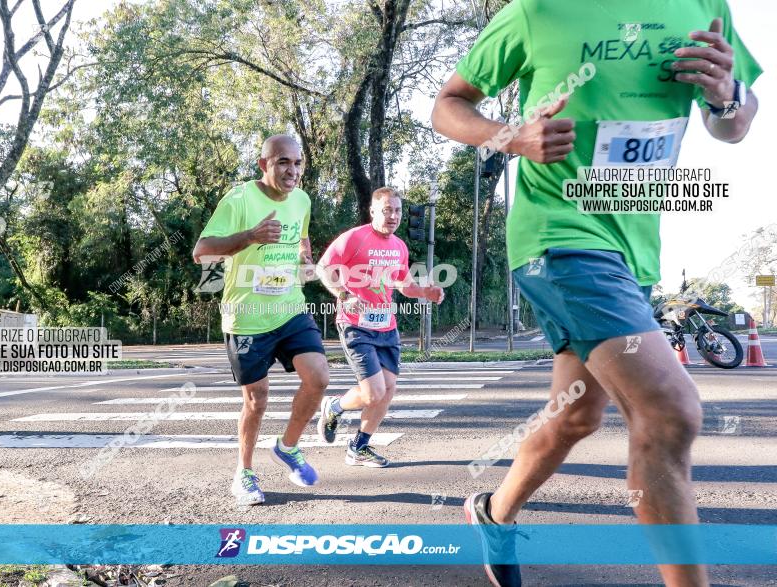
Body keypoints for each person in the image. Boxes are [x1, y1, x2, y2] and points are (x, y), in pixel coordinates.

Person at [431, 1, 760, 585]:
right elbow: (447, 104)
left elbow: (733, 126)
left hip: (633, 249)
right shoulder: (537, 10)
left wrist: (726, 95)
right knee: (668, 411)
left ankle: (492, 513)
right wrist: (512, 137)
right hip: (559, 236)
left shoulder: (705, 5)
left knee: (576, 414)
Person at [192, 134, 329, 506]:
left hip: (289, 308)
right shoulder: (239, 200)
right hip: (247, 317)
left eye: (298, 163)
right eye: (284, 162)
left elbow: (301, 239)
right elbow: (202, 252)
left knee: (319, 377)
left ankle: (288, 447)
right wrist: (250, 237)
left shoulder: (302, 200)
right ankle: (245, 472)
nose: (293, 170)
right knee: (257, 400)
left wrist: (305, 260)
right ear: (264, 164)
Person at [315, 187, 444, 467]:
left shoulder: (399, 246)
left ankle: (358, 447)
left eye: (397, 210)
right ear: (373, 211)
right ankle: (333, 407)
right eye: (387, 210)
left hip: (387, 326)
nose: (393, 216)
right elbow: (324, 267)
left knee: (387, 390)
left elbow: (405, 285)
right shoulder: (354, 238)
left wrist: (426, 292)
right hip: (355, 325)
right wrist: (344, 295)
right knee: (373, 392)